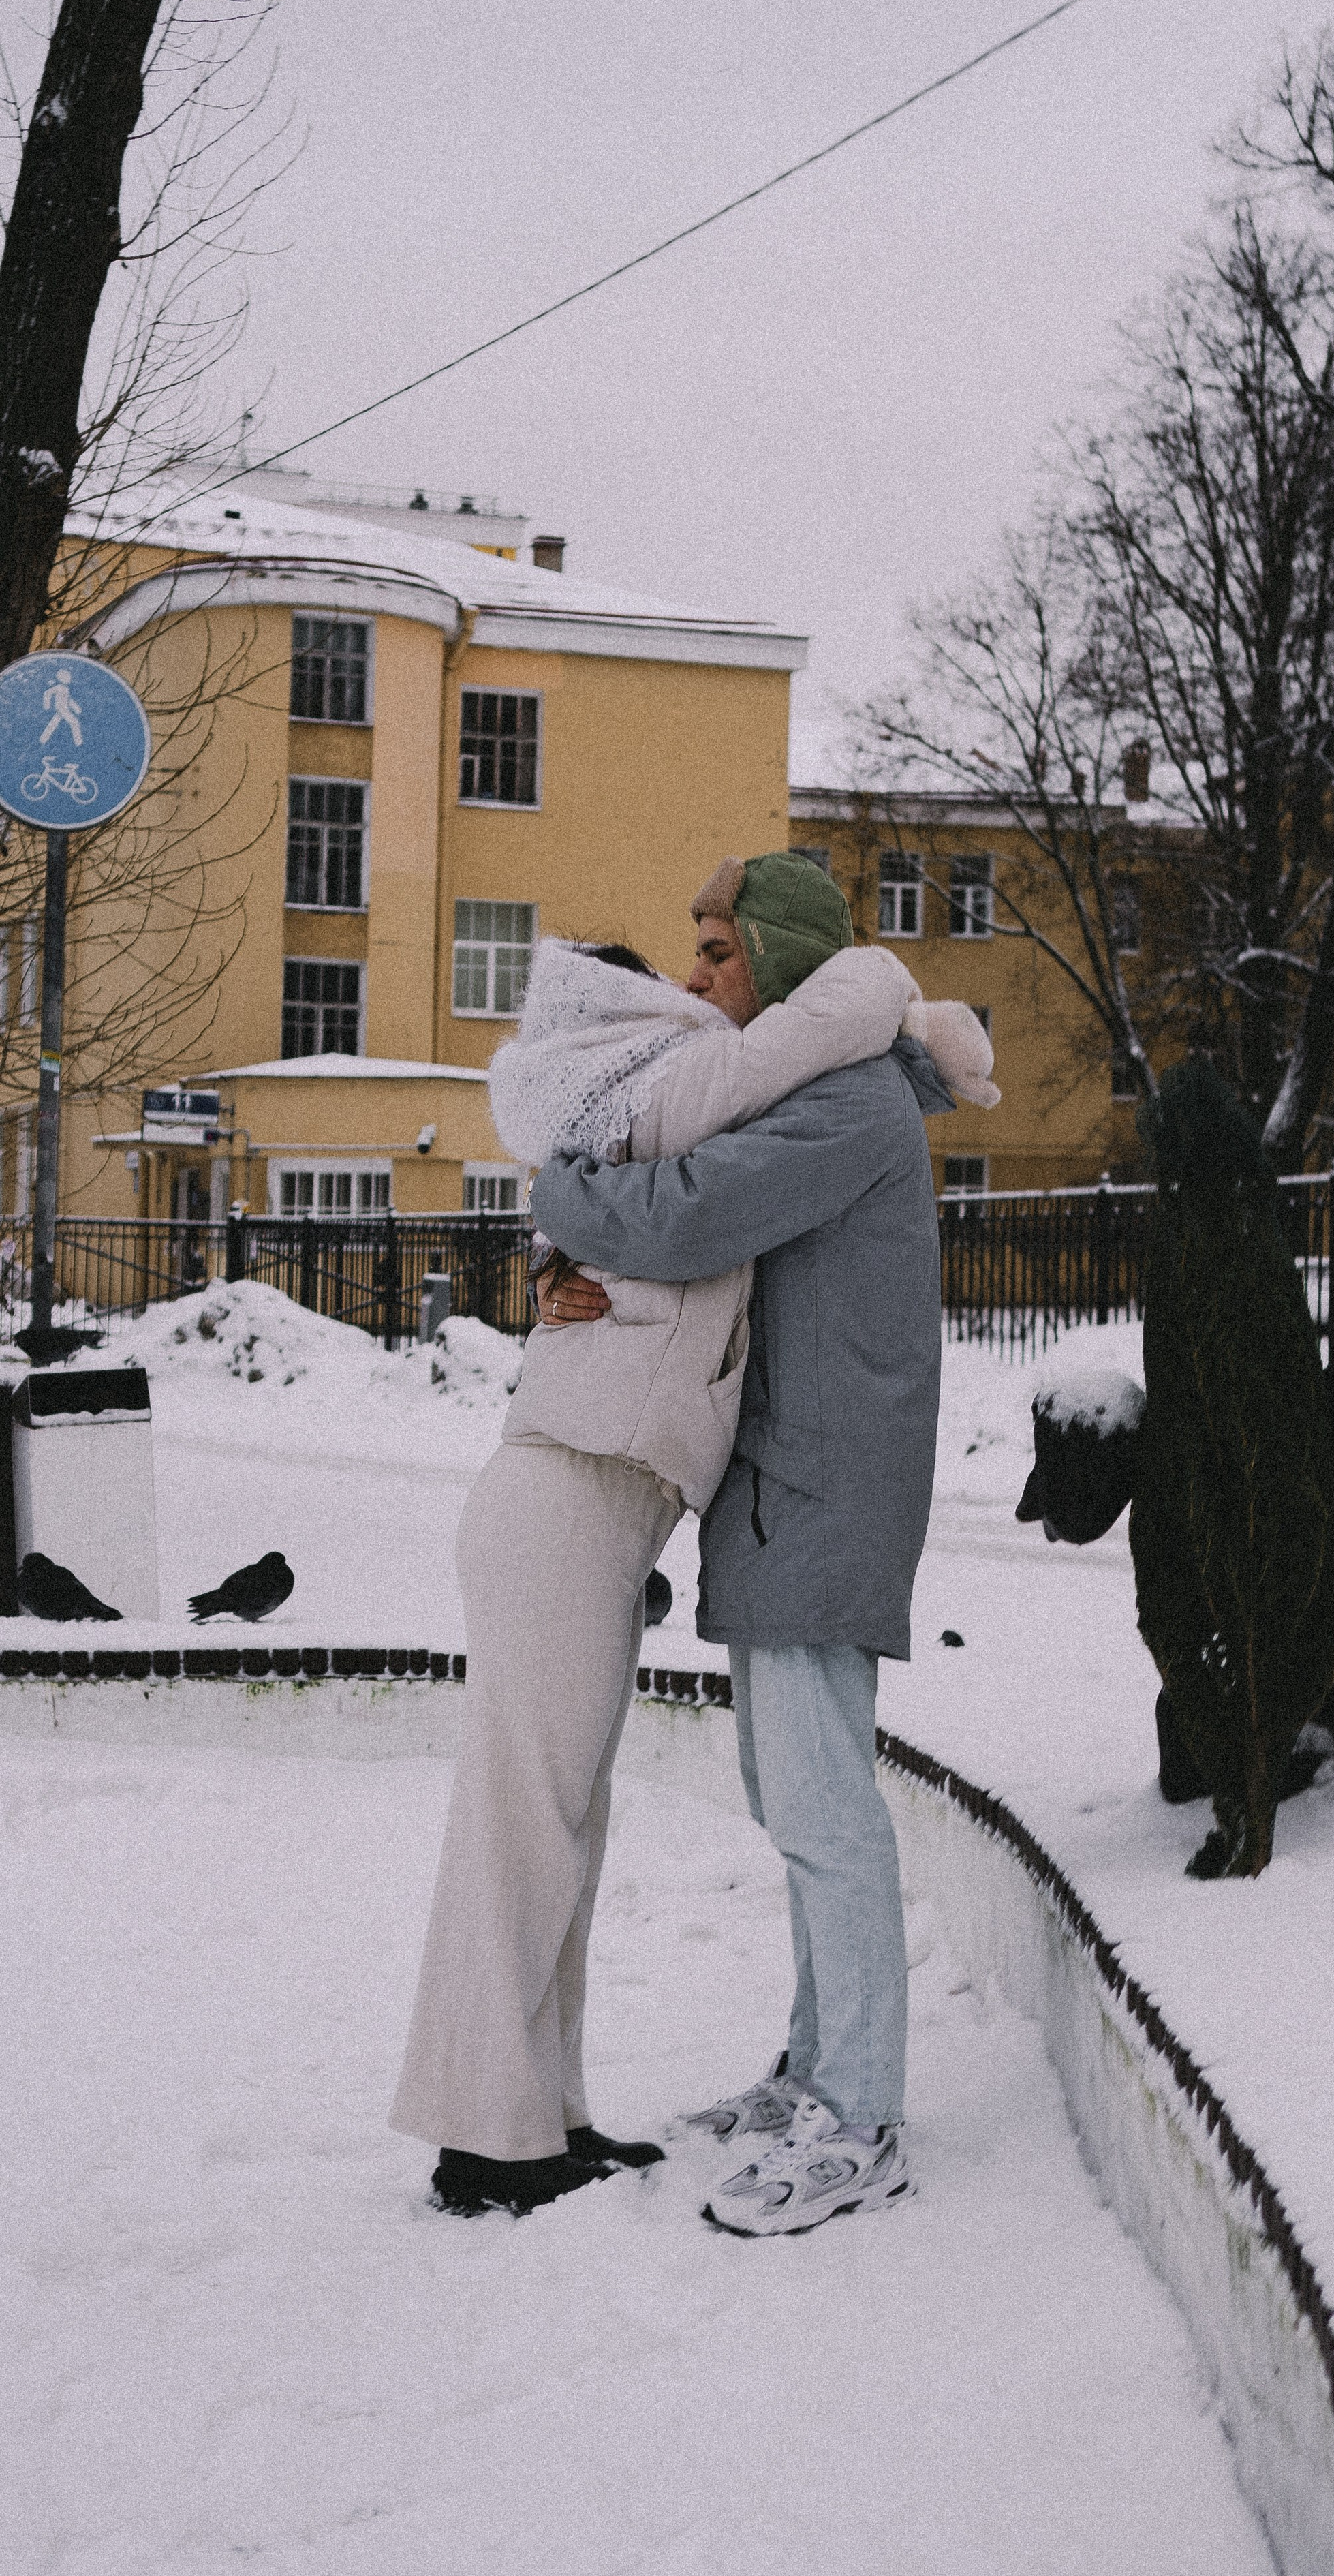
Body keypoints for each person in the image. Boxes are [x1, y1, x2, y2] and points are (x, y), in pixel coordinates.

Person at [391, 879, 995, 2218]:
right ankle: (520, 2124)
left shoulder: (841, 1101)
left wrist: (562, 1194)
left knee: (804, 1814)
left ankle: (848, 2110)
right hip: (694, 1501)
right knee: (600, 1821)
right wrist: (553, 1244)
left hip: (810, 1497)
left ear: (777, 960)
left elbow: (675, 1217)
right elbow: (657, 1231)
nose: (695, 974)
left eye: (718, 951)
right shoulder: (788, 1090)